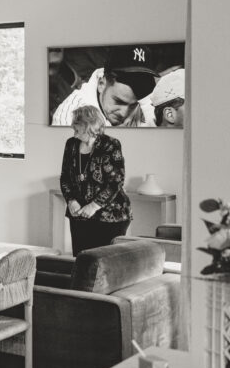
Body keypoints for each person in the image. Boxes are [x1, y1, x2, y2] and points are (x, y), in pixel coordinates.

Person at [59, 105, 132, 255]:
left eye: (77, 130)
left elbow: (116, 181)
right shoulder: (71, 144)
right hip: (79, 215)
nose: (75, 134)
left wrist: (94, 206)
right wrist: (71, 200)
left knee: (105, 264)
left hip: (110, 216)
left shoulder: (110, 144)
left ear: (89, 127)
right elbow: (65, 177)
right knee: (82, 263)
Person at [51, 45, 160, 127]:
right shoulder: (70, 119)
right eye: (119, 101)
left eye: (132, 106)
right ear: (101, 84)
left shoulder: (141, 97)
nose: (124, 113)